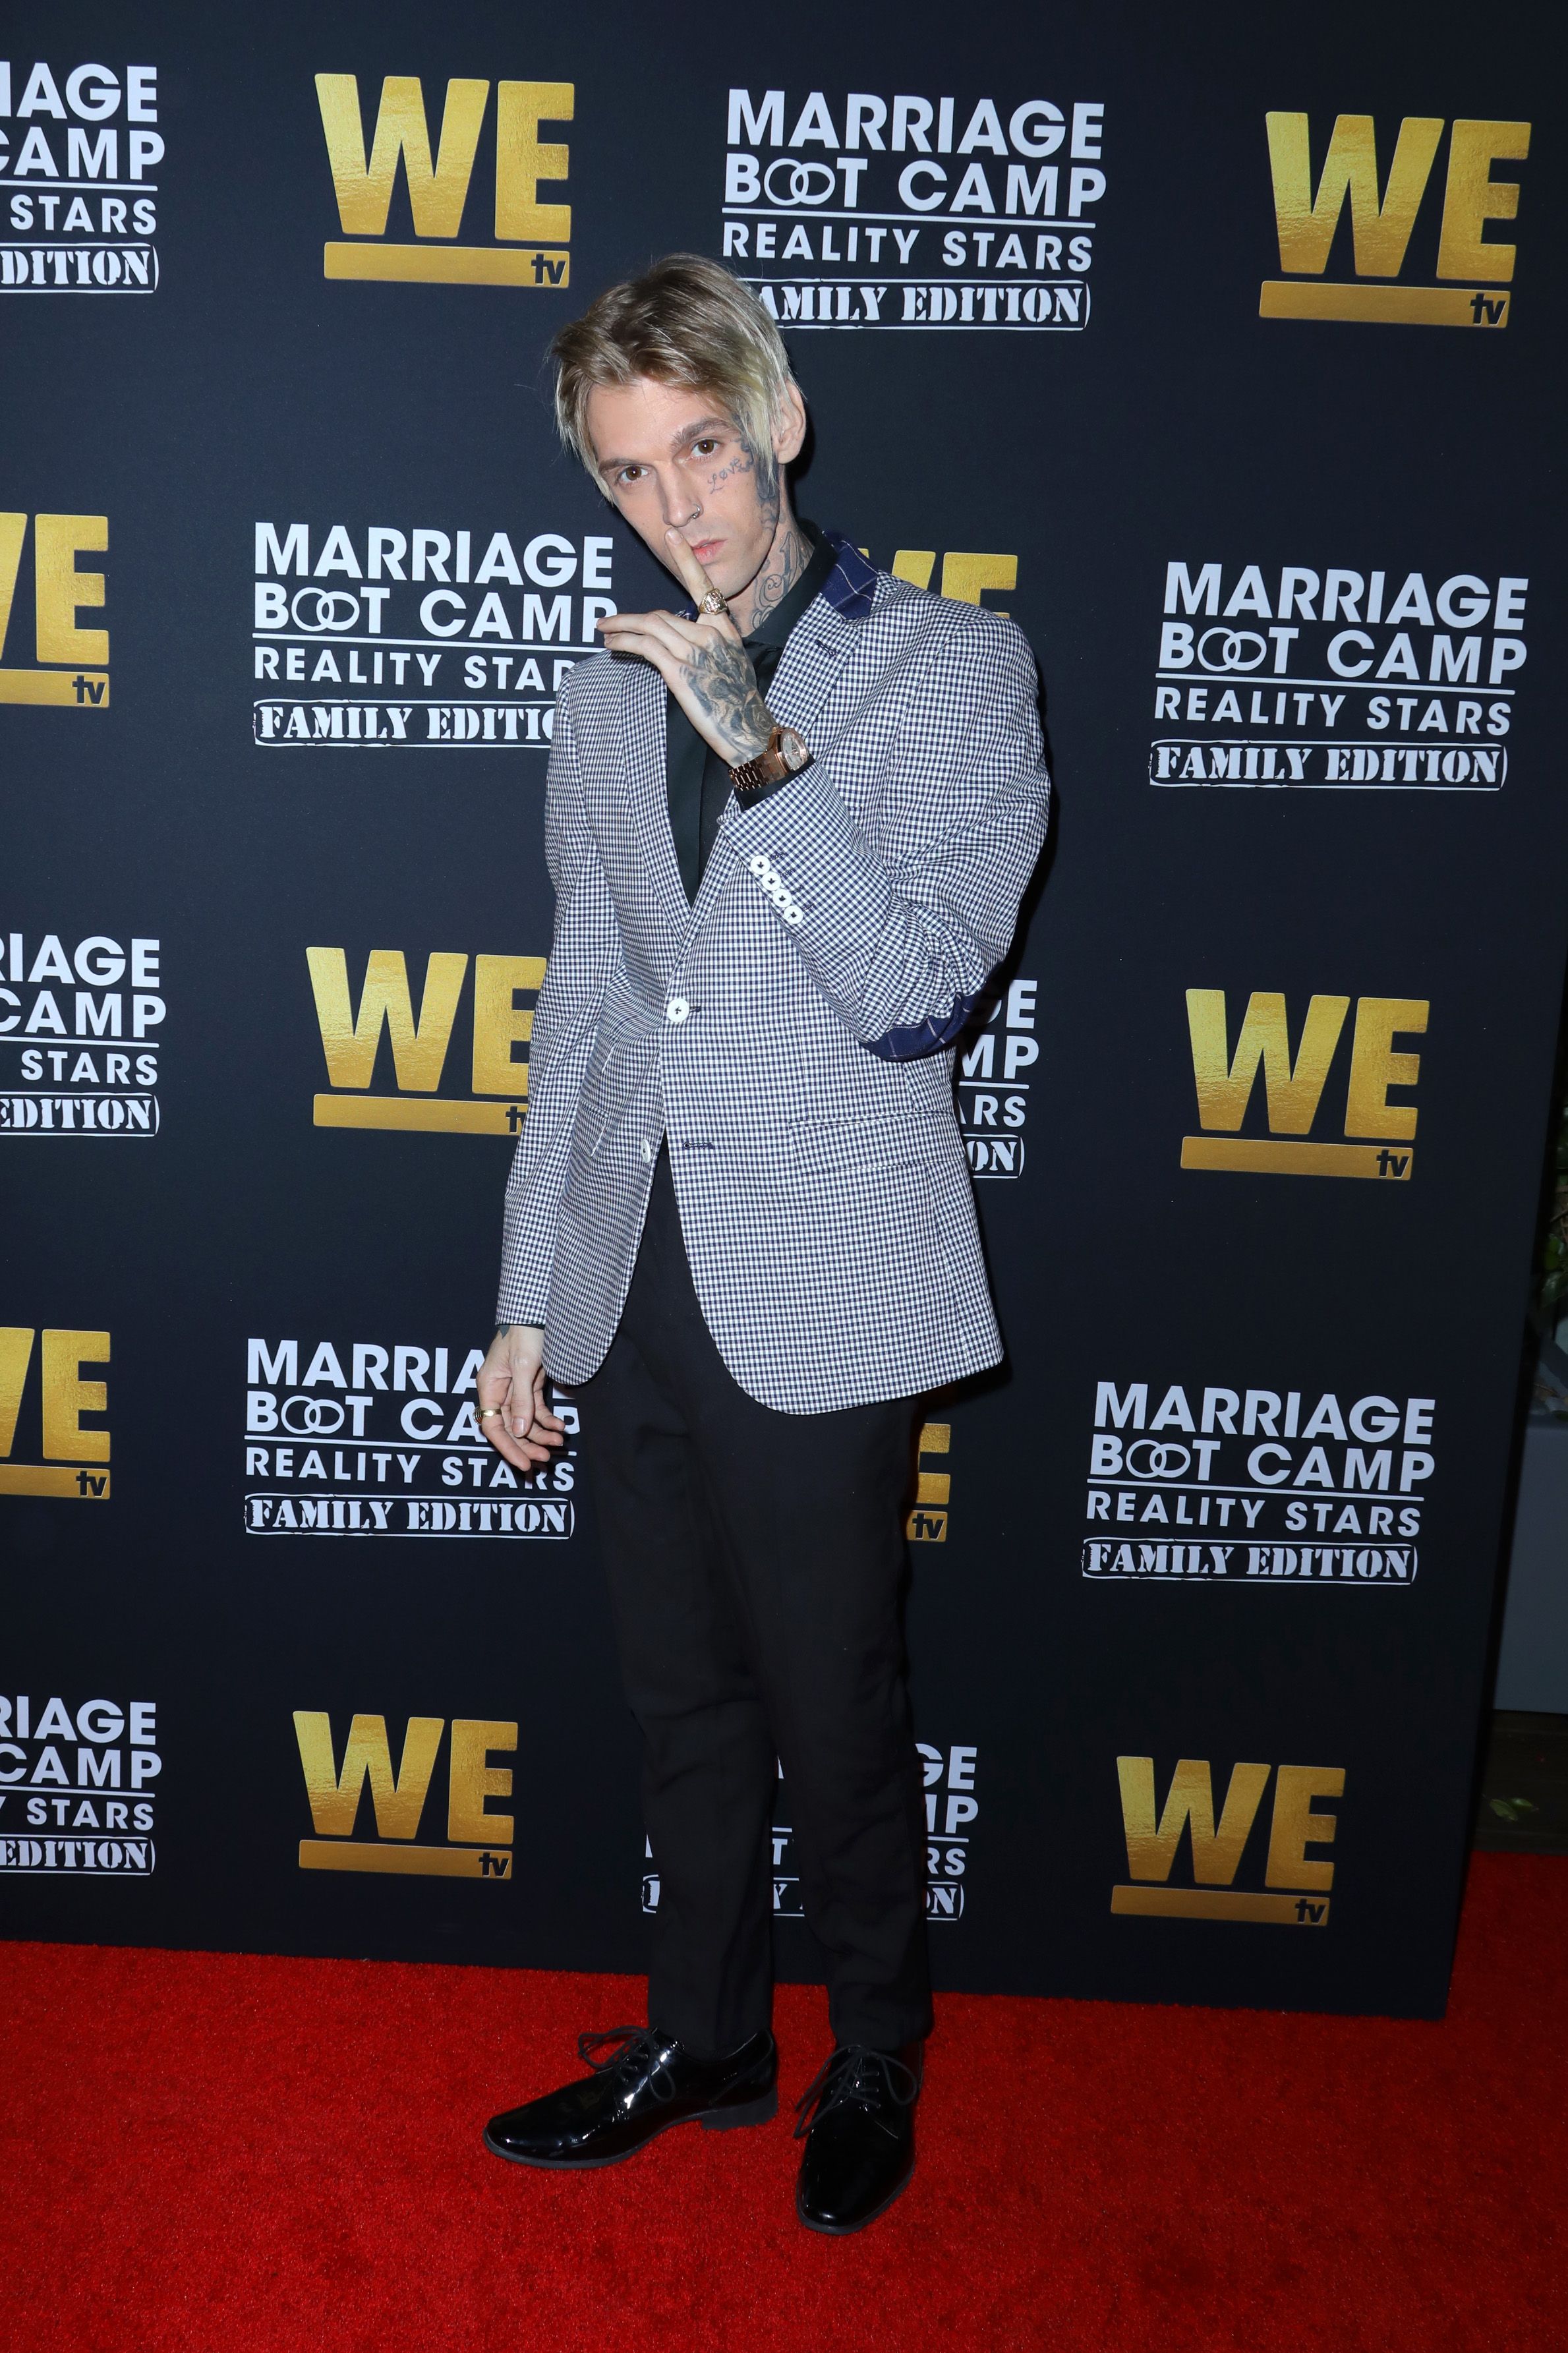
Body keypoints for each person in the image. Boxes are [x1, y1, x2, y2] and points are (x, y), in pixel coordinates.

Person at [474, 254, 1049, 2234]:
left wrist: (755, 744)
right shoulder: (590, 690)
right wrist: (531, 1294)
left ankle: (871, 2049)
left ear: (779, 421)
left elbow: (915, 994)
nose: (679, 506)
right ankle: (703, 2032)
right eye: (632, 476)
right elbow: (587, 1014)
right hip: (638, 1271)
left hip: (820, 1275)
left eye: (704, 448)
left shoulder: (954, 669)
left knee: (834, 1701)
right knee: (681, 1703)